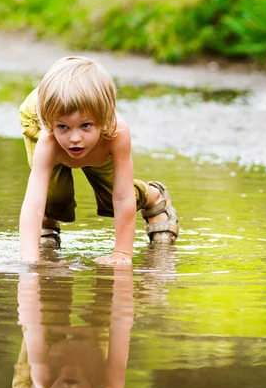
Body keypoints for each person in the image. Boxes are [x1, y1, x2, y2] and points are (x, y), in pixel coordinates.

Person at [19, 56, 179, 265]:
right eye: (64, 127)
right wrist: (31, 260)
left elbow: (122, 199)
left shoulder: (116, 133)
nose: (74, 138)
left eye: (85, 126)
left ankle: (153, 196)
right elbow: (33, 202)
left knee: (113, 197)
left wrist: (122, 253)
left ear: (103, 120)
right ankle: (46, 223)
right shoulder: (48, 138)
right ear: (52, 125)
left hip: (97, 135)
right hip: (38, 113)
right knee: (52, 197)